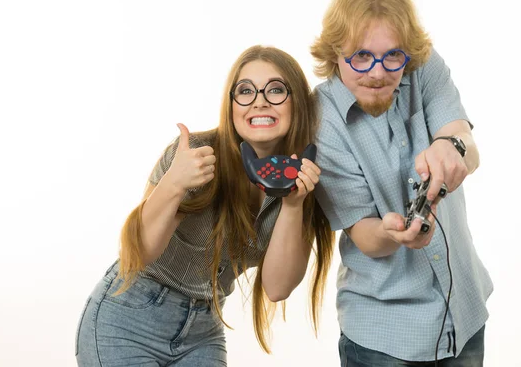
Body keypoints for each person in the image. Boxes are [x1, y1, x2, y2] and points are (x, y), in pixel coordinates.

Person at [75, 45, 335, 366]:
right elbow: (138, 253)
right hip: (129, 319)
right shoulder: (194, 153)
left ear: (298, 104)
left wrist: (294, 206)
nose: (260, 100)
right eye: (245, 91)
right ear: (231, 106)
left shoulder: (303, 177)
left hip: (203, 330)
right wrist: (174, 183)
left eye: (276, 89)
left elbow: (277, 288)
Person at [310, 0, 493, 366]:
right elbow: (366, 236)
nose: (377, 73)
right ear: (334, 51)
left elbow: (467, 145)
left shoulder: (424, 68)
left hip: (464, 316)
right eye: (360, 56)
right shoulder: (320, 120)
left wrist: (451, 147)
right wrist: (393, 233)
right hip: (382, 339)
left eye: (392, 56)